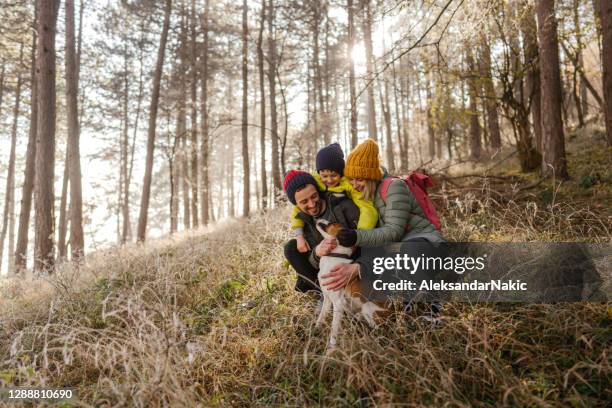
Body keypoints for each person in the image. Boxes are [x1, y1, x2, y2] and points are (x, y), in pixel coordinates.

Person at [319, 139, 445, 292]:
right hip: (395, 247)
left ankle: (431, 308)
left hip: (423, 241)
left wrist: (357, 236)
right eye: (351, 179)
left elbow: (394, 231)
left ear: (371, 177)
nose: (354, 184)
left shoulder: (394, 187)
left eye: (359, 179)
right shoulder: (364, 195)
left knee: (410, 251)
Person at [290, 143, 378, 253]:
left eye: (334, 175)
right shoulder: (314, 181)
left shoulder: (349, 184)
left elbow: (367, 209)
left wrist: (358, 236)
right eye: (325, 176)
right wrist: (299, 236)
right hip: (323, 229)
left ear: (341, 173)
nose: (329, 180)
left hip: (345, 223)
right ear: (319, 173)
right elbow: (297, 208)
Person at [283, 170, 360, 293]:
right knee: (291, 248)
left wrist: (357, 267)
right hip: (325, 268)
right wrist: (317, 253)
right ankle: (322, 293)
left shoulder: (343, 206)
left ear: (318, 191)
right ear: (296, 204)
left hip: (350, 263)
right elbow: (311, 264)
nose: (312, 204)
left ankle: (348, 292)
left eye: (314, 196)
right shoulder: (305, 221)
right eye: (304, 202)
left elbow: (367, 240)